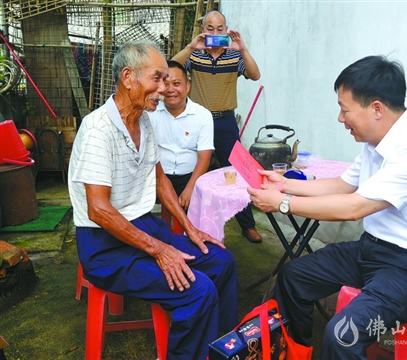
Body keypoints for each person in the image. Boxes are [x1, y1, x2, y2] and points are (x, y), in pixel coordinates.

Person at [248, 55, 407, 359]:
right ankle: (296, 352)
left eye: (344, 109)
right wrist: (282, 183)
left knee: (342, 335)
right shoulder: (377, 142)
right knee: (293, 276)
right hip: (374, 251)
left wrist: (283, 204)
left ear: (376, 108)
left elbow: (354, 207)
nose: (340, 118)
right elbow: (342, 185)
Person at [68, 41, 237, 359]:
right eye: (157, 78)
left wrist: (189, 228)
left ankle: (223, 349)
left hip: (141, 226)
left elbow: (159, 179)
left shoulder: (143, 121)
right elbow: (99, 209)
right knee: (198, 290)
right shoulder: (97, 131)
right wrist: (160, 250)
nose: (164, 89)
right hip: (105, 247)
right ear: (129, 77)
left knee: (220, 261)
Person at [172, 10, 263, 243]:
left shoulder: (234, 55)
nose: (215, 33)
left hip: (225, 121)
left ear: (226, 30)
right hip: (198, 121)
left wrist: (243, 48)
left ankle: (247, 225)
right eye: (210, 28)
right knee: (194, 169)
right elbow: (170, 68)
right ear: (203, 30)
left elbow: (254, 75)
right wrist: (192, 47)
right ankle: (190, 223)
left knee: (238, 171)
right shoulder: (195, 55)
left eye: (220, 28)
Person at [148, 60, 213, 211]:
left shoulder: (203, 115)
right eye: (166, 83)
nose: (170, 89)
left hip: (190, 177)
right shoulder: (150, 113)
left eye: (176, 84)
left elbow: (205, 157)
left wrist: (191, 189)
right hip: (156, 178)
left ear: (188, 86)